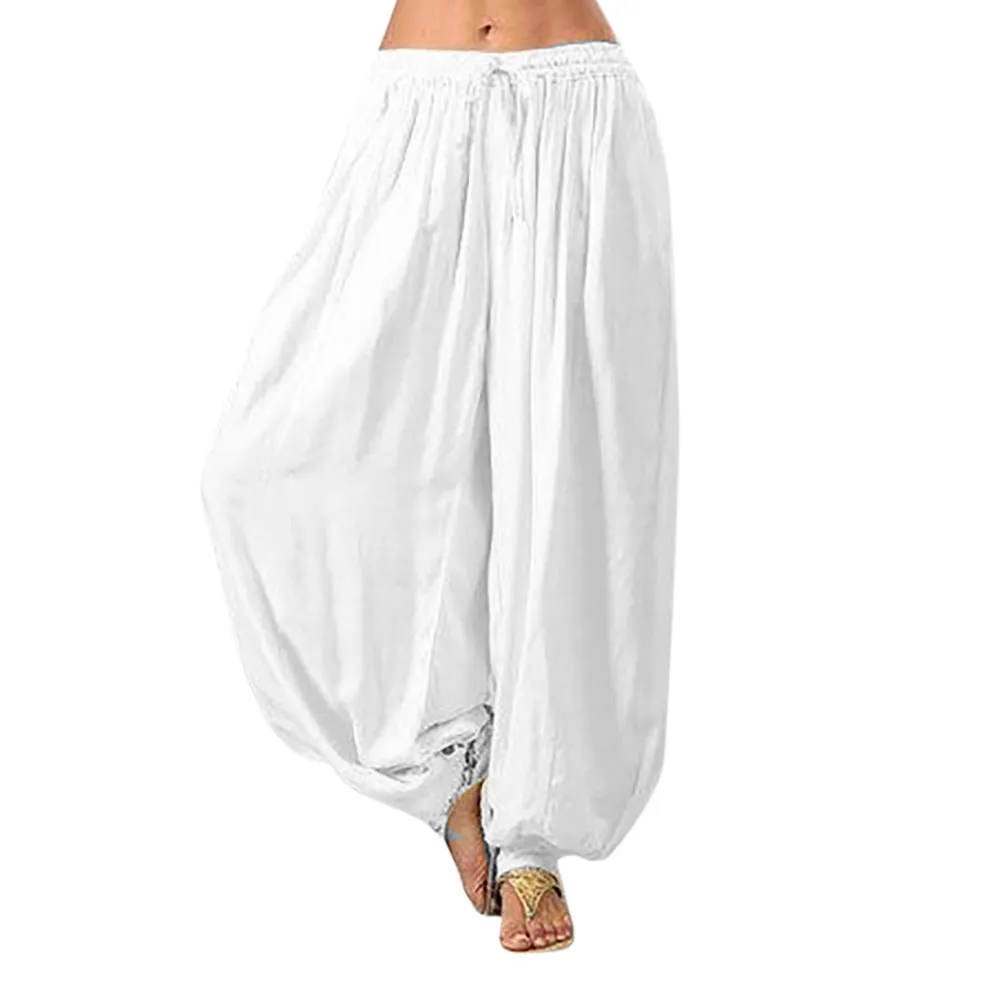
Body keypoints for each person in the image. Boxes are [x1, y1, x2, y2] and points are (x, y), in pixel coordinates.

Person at [201, 0, 678, 954]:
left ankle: (532, 827)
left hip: (577, 111)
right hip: (417, 111)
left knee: (567, 484)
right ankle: (452, 766)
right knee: (252, 470)